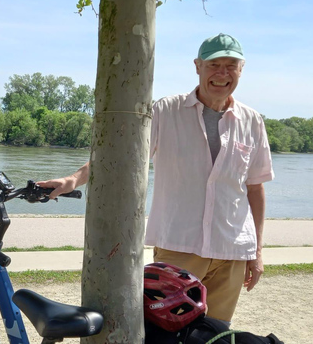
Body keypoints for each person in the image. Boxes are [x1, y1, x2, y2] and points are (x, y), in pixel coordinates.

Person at [38, 33, 274, 323]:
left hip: (233, 250)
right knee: (166, 332)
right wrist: (73, 180)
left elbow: (255, 187)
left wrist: (257, 251)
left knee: (216, 338)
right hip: (179, 245)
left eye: (230, 65)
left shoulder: (252, 121)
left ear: (241, 69)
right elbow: (119, 157)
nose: (222, 73)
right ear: (198, 66)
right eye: (214, 64)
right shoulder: (166, 111)